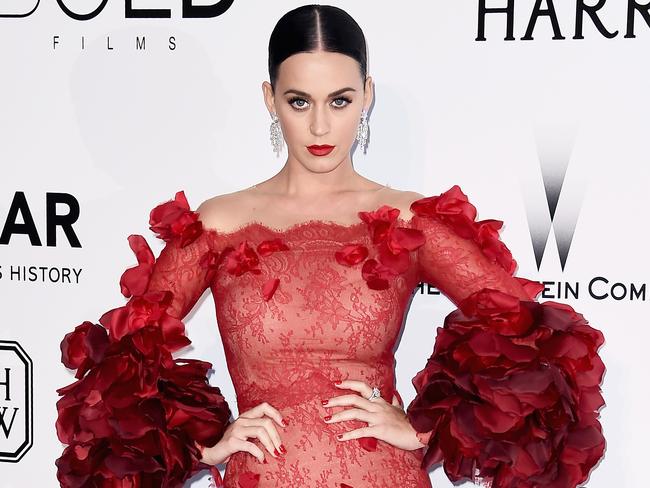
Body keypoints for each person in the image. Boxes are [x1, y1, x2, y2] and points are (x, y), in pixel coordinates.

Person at [55, 5, 606, 488]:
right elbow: (119, 371)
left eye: (340, 100)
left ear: (367, 94)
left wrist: (424, 428)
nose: (320, 125)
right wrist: (204, 446)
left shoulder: (404, 220)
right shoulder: (218, 224)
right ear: (269, 99)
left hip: (382, 475)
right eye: (299, 101)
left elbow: (529, 332)